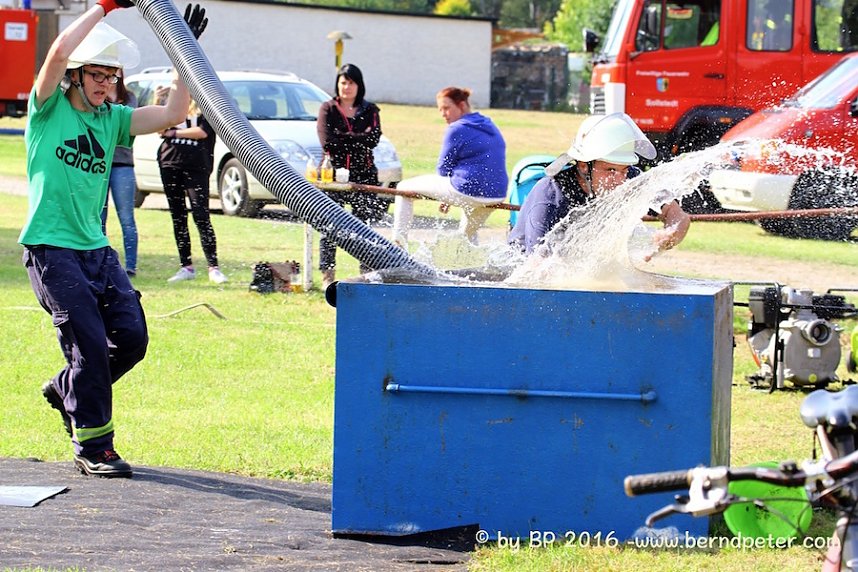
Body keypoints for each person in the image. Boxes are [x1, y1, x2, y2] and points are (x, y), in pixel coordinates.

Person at [19, 1, 208, 478]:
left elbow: (172, 112)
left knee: (132, 339)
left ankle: (66, 389)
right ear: (76, 77)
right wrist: (103, 5)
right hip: (50, 248)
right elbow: (59, 50)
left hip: (96, 251)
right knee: (87, 341)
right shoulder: (45, 110)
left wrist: (186, 53)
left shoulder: (114, 119)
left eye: (112, 76)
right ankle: (94, 445)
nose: (106, 85)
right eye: (97, 75)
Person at [508, 112, 690, 256]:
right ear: (584, 166)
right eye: (610, 170)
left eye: (624, 169)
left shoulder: (630, 178)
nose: (620, 180)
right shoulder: (550, 194)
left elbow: (678, 216)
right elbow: (536, 266)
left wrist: (670, 235)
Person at [392, 86, 508, 247]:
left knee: (403, 187)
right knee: (464, 241)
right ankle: (468, 264)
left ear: (461, 105)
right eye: (440, 109)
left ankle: (398, 247)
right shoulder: (489, 124)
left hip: (467, 191)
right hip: (496, 194)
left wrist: (447, 196)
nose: (443, 114)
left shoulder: (456, 128)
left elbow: (443, 169)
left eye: (446, 108)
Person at [316, 63, 385, 288]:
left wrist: (344, 137)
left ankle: (366, 274)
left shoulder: (370, 110)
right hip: (332, 174)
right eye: (343, 82)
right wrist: (357, 137)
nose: (347, 87)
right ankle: (328, 275)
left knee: (363, 226)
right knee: (330, 226)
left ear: (359, 85)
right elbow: (328, 142)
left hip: (364, 175)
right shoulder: (328, 108)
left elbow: (373, 139)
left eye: (351, 82)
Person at [159, 98, 227, 284]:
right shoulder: (173, 107)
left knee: (201, 215)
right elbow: (160, 130)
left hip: (197, 166)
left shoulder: (207, 105)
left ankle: (213, 266)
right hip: (170, 162)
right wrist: (159, 99)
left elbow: (202, 132)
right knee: (178, 216)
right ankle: (186, 266)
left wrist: (174, 132)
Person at [101, 72, 139, 277]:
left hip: (123, 163)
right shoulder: (97, 96)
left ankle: (131, 266)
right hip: (101, 163)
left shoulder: (130, 97)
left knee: (127, 217)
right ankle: (100, 262)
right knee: (99, 217)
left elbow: (129, 126)